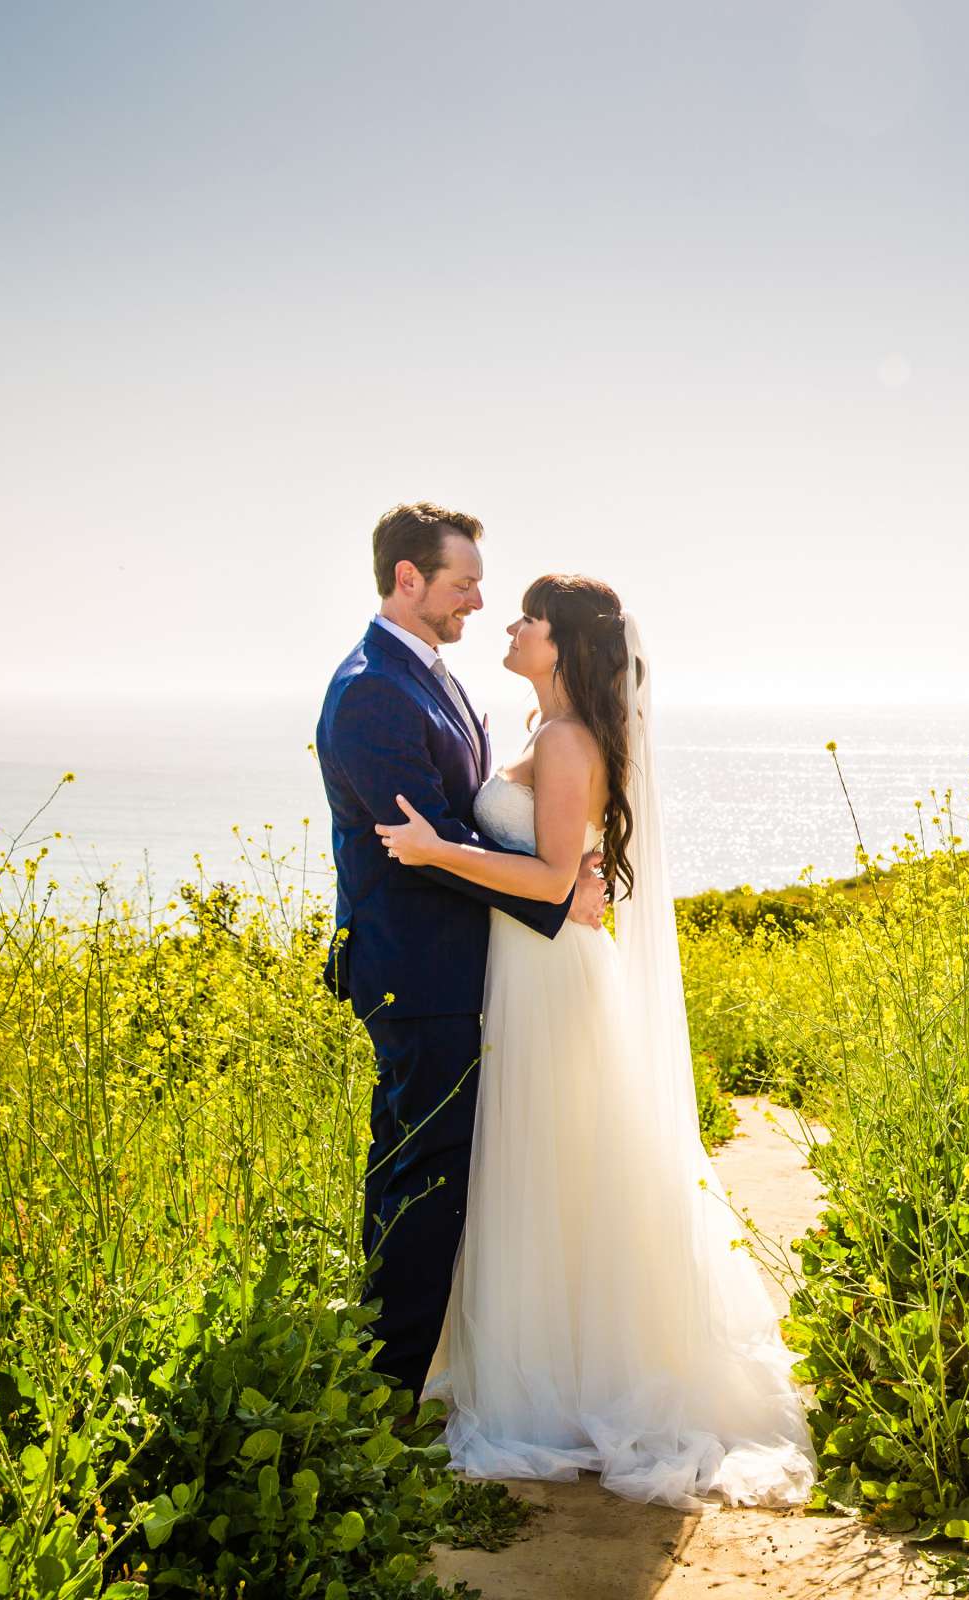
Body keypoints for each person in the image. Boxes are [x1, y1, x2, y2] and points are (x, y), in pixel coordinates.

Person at [372, 572, 814, 1511]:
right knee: (551, 1169)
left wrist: (436, 851)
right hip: (529, 972)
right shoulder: (545, 732)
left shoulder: (568, 741)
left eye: (530, 616)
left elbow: (546, 876)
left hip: (552, 979)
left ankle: (572, 1387)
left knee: (562, 1164)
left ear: (564, 644)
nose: (512, 623)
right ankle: (556, 1369)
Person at [314, 503, 607, 1399]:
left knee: (410, 1159)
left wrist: (557, 871)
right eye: (464, 583)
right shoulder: (372, 688)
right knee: (426, 1170)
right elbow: (430, 839)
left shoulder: (427, 674)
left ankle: (381, 1358)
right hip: (416, 969)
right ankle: (390, 1389)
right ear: (409, 579)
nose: (479, 602)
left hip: (456, 969)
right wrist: (558, 896)